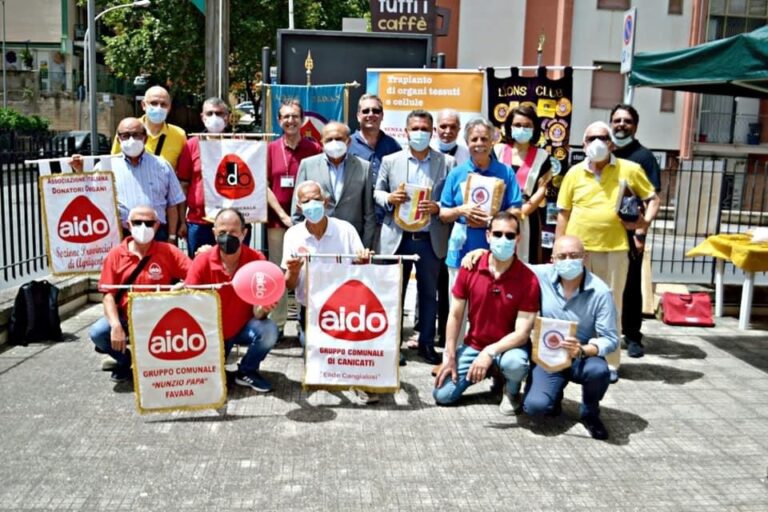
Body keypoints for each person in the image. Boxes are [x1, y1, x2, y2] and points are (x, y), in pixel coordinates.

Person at [556, 121, 660, 382]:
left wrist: (642, 224)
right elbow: (563, 214)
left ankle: (610, 363)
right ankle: (570, 356)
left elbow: (653, 198)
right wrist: (559, 249)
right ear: (584, 144)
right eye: (591, 138)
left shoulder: (630, 169)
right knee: (572, 306)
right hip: (577, 253)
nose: (597, 143)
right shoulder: (573, 173)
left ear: (612, 143)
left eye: (603, 137)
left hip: (613, 250)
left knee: (611, 307)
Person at [433, 212, 539, 415]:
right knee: (442, 395)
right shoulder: (470, 267)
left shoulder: (528, 279)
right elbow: (455, 315)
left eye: (509, 235)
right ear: (488, 236)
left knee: (515, 364)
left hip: (509, 348)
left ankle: (511, 390)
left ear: (518, 238)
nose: (503, 240)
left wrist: (489, 353)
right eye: (497, 234)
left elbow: (522, 333)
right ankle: (494, 373)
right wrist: (449, 355)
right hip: (474, 344)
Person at [282, 181, 376, 403]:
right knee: (317, 358)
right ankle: (305, 334)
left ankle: (358, 379)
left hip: (344, 308)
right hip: (311, 308)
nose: (312, 205)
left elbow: (362, 272)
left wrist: (364, 261)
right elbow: (288, 285)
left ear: (325, 202)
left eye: (316, 199)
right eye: (306, 201)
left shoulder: (345, 230)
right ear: (298, 206)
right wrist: (293, 272)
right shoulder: (293, 235)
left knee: (348, 350)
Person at [374, 109, 454, 365]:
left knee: (429, 294)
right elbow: (377, 192)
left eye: (425, 129)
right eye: (415, 129)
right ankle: (392, 346)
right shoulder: (390, 160)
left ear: (432, 132)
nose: (419, 133)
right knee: (393, 294)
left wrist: (439, 207)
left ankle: (427, 344)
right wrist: (389, 198)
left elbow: (452, 198)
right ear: (406, 132)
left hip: (430, 239)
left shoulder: (447, 162)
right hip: (398, 238)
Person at [522, 235, 619, 441]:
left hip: (581, 356)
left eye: (574, 255)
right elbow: (511, 266)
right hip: (548, 356)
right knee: (535, 408)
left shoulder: (600, 291)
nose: (568, 261)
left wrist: (584, 349)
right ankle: (553, 396)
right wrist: (478, 253)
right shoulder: (542, 275)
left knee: (598, 371)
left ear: (585, 257)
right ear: (553, 259)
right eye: (562, 256)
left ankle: (590, 411)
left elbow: (610, 338)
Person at [439, 117, 523, 338]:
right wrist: (461, 211)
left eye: (484, 138)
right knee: (457, 309)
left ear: (492, 141)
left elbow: (516, 210)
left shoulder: (505, 173)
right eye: (474, 139)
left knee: (491, 310)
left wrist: (492, 219)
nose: (479, 143)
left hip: (495, 253)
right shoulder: (457, 173)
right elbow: (444, 213)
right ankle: (454, 358)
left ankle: (486, 357)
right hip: (460, 251)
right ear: (467, 141)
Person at [89, 206, 191, 383]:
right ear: (128, 224)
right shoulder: (115, 255)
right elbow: (108, 295)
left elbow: (195, 275)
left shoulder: (168, 251)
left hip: (162, 318)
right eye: (137, 222)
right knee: (99, 332)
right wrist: (115, 326)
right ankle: (125, 361)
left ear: (157, 226)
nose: (143, 227)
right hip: (127, 317)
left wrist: (182, 286)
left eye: (149, 223)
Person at [185, 208, 279, 392]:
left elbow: (258, 312)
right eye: (222, 233)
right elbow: (190, 303)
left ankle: (246, 371)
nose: (227, 237)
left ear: (244, 233)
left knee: (269, 330)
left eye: (233, 232)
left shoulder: (256, 260)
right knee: (207, 384)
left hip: (243, 327)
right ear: (214, 233)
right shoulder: (202, 260)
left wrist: (265, 308)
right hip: (212, 332)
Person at [71, 117, 185, 242]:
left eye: (136, 135)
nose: (131, 140)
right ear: (119, 139)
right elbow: (91, 196)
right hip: (120, 235)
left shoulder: (162, 166)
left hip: (157, 233)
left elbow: (173, 204)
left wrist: (172, 236)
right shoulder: (105, 167)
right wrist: (80, 171)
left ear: (145, 138)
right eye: (125, 135)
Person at [264, 98, 322, 335]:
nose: (290, 121)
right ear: (279, 121)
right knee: (280, 272)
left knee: (306, 271)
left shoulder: (314, 148)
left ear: (302, 120)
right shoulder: (270, 149)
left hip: (308, 222)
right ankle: (277, 324)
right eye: (286, 117)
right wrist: (283, 215)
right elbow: (265, 186)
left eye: (294, 116)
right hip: (279, 222)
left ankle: (304, 322)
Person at [610, 104, 662, 359]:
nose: (621, 124)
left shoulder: (644, 157)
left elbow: (653, 198)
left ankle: (632, 335)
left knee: (630, 285)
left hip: (631, 234)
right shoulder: (604, 152)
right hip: (604, 233)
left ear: (635, 126)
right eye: (617, 120)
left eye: (627, 121)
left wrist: (641, 230)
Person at [110, 85, 189, 242]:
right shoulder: (128, 128)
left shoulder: (179, 135)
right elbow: (112, 174)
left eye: (163, 104)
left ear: (169, 107)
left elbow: (181, 184)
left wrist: (180, 223)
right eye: (153, 103)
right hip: (126, 227)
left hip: (160, 222)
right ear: (143, 105)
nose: (158, 108)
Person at [292, 122, 376, 249]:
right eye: (329, 139)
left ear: (348, 142)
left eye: (339, 139)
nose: (334, 143)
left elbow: (369, 214)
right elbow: (297, 210)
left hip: (350, 242)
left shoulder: (363, 167)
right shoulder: (308, 165)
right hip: (316, 241)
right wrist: (303, 243)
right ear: (322, 142)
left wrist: (363, 248)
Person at [176, 97, 239, 256]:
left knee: (232, 267)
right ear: (202, 117)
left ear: (228, 117)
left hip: (233, 221)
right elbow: (183, 184)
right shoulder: (191, 145)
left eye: (219, 113)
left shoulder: (240, 144)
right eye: (209, 113)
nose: (214, 117)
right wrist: (182, 221)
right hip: (199, 222)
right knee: (200, 267)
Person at [494, 105, 552, 264]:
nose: (522, 129)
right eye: (517, 125)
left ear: (534, 129)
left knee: (526, 261)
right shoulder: (497, 151)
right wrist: (505, 216)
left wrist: (521, 212)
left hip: (528, 215)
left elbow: (542, 189)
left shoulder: (543, 156)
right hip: (498, 214)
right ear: (509, 127)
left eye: (527, 126)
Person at [348, 94, 402, 234]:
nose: (371, 114)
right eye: (366, 111)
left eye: (376, 111)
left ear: (382, 115)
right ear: (358, 115)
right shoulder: (347, 145)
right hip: (355, 221)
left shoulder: (393, 146)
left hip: (384, 222)